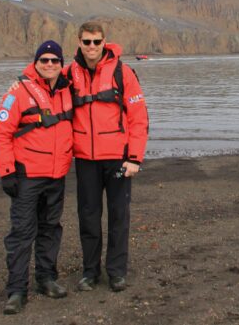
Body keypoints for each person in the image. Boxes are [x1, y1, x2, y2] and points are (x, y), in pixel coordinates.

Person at [0, 41, 73, 315]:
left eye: (54, 60)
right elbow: (0, 132)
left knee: (50, 229)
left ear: (61, 64)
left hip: (56, 175)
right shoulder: (18, 92)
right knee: (22, 233)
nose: (49, 64)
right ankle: (16, 291)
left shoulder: (66, 90)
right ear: (36, 62)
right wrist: (7, 172)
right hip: (27, 176)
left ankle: (46, 279)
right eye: (44, 60)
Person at [69, 21, 148, 292]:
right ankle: (90, 272)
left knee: (118, 217)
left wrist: (135, 158)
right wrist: (18, 82)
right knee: (88, 218)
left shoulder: (123, 73)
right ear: (79, 43)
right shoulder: (70, 73)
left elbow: (138, 117)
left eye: (96, 41)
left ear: (104, 42)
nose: (92, 46)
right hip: (85, 159)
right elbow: (42, 81)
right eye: (87, 41)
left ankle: (116, 272)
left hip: (118, 158)